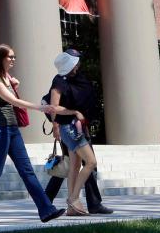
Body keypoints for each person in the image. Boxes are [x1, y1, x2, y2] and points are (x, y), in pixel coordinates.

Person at [0, 44, 62, 225]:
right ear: (1, 58)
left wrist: (14, 84)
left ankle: (46, 210)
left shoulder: (7, 78)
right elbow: (12, 101)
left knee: (27, 170)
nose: (14, 59)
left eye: (14, 57)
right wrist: (40, 107)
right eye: (10, 57)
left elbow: (12, 97)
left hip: (12, 130)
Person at [45, 49, 111, 216]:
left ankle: (71, 208)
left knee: (74, 166)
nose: (78, 65)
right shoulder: (59, 81)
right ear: (70, 64)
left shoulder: (74, 79)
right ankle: (73, 199)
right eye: (76, 62)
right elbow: (53, 107)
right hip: (69, 128)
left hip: (76, 127)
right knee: (91, 162)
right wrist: (72, 114)